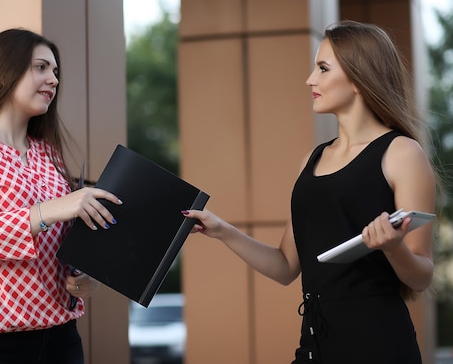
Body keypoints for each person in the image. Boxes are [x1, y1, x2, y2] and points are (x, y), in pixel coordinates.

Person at [182, 20, 438, 363]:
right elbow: (286, 266)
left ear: (359, 78)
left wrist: (393, 248)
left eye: (322, 68)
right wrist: (224, 231)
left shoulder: (402, 153)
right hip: (315, 346)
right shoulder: (311, 160)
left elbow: (422, 275)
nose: (310, 80)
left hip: (378, 346)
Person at [0, 28, 122, 364]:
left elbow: (62, 239)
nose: (53, 79)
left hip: (60, 338)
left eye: (55, 71)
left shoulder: (47, 152)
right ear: (5, 70)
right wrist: (52, 209)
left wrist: (87, 273)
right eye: (41, 67)